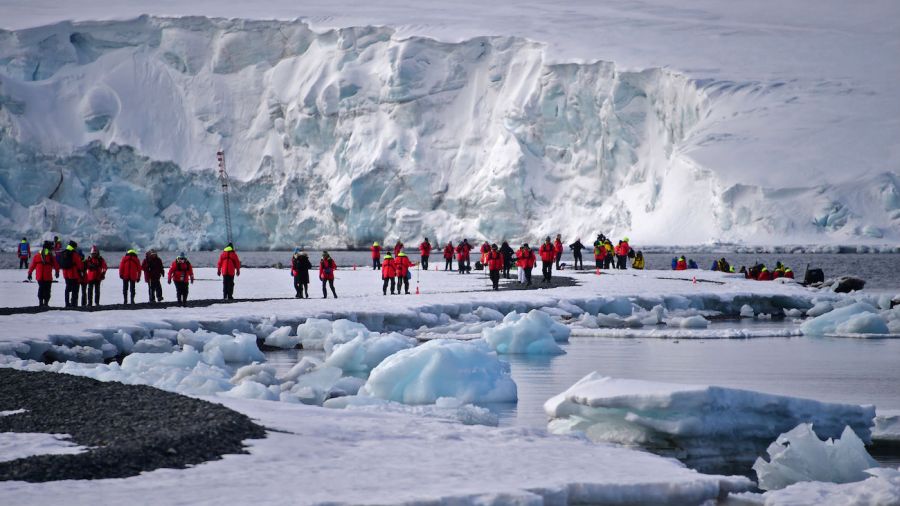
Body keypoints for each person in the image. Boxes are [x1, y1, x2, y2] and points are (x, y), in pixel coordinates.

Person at [27, 240, 59, 307]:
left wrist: (29, 273)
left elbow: (32, 266)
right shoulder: (51, 255)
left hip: (39, 276)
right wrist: (57, 272)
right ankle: (46, 303)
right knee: (47, 290)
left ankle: (41, 303)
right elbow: (56, 264)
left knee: (41, 289)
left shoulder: (38, 255)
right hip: (47, 277)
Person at [59, 240, 83, 308]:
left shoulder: (64, 252)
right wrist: (81, 271)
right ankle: (73, 304)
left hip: (65, 274)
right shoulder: (74, 254)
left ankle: (67, 304)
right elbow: (79, 265)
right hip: (73, 274)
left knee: (67, 289)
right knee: (74, 289)